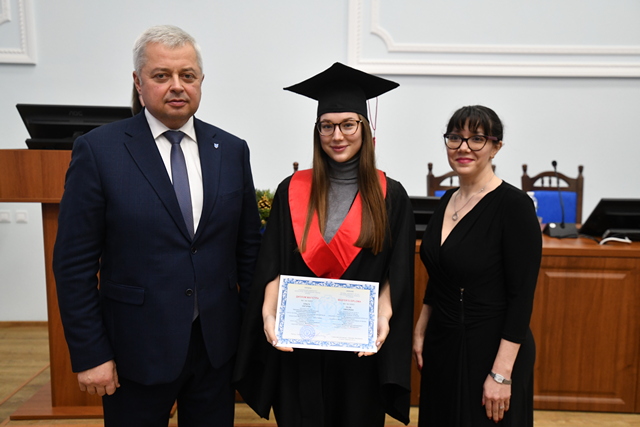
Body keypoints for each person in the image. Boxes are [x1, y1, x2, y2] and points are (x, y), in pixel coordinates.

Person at [53, 25, 261, 427]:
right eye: (162, 75)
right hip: (134, 351)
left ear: (201, 81)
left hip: (216, 349)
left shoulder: (232, 150)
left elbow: (248, 251)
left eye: (188, 75)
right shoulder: (99, 150)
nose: (177, 86)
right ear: (138, 82)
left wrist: (248, 339)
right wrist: (91, 353)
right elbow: (73, 265)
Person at [233, 62, 415, 426]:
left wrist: (383, 316)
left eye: (348, 124)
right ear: (317, 131)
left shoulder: (390, 196)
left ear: (365, 128)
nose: (337, 135)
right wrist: (268, 314)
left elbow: (397, 272)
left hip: (358, 354)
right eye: (327, 125)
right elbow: (272, 264)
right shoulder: (291, 190)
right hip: (301, 349)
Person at [413, 105, 542, 426]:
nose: (463, 147)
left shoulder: (514, 205)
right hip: (443, 343)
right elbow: (440, 274)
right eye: (455, 138)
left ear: (496, 147)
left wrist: (501, 374)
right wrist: (421, 328)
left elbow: (521, 297)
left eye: (477, 139)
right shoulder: (446, 200)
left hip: (492, 349)